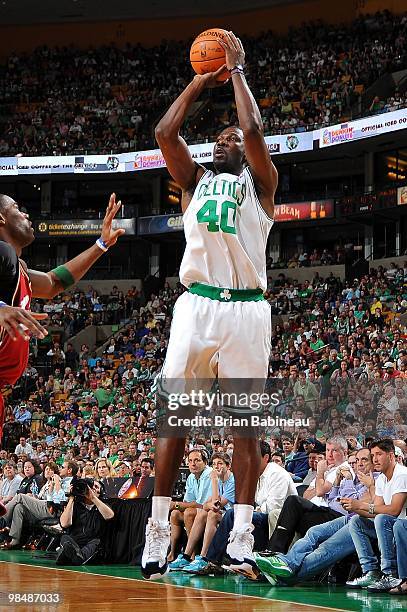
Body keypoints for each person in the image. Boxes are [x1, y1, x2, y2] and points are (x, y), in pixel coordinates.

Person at [141, 31, 278, 581]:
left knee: (244, 432)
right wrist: (204, 76)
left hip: (247, 310)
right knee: (173, 422)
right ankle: (155, 537)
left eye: (229, 139)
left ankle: (242, 540)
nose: (223, 140)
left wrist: (237, 71)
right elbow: (164, 132)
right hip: (196, 306)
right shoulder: (194, 182)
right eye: (217, 138)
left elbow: (250, 128)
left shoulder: (262, 186)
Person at [0, 193, 125, 443]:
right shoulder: (2, 251)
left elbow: (53, 283)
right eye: (17, 208)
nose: (26, 214)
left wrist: (101, 244)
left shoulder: (18, 267)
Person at [57, 478, 114, 565]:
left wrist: (93, 498)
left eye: (96, 487)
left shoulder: (102, 505)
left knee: (96, 543)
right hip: (74, 541)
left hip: (92, 541)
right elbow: (65, 524)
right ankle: (74, 556)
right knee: (65, 538)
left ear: (101, 492)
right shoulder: (75, 505)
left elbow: (110, 516)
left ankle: (70, 557)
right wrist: (72, 497)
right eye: (90, 486)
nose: (92, 488)